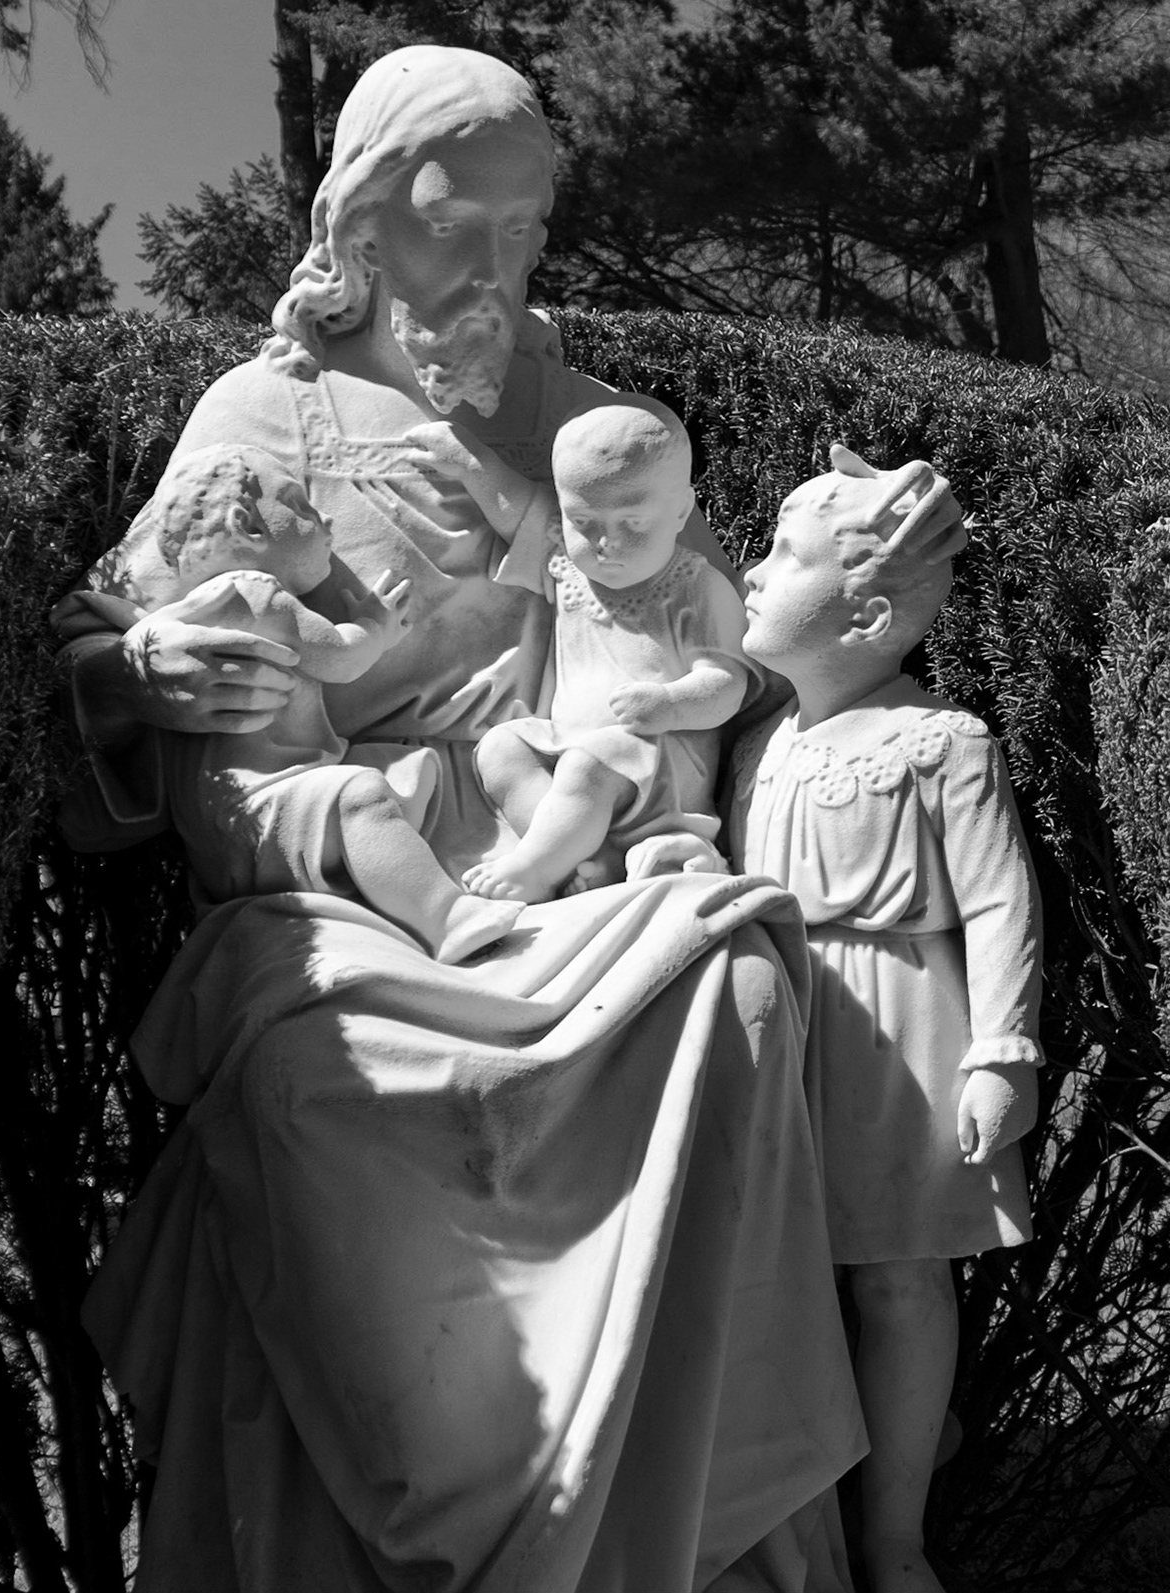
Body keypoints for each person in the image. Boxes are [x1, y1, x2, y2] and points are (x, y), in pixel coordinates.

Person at [55, 45, 958, 1593]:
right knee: (302, 1066)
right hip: (339, 885)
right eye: (443, 224)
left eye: (521, 229)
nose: (486, 270)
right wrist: (142, 665)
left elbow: (710, 659)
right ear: (350, 228)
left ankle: (692, 1548)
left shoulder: (596, 429)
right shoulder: (263, 413)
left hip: (571, 855)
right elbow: (116, 642)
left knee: (733, 984)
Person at [728, 445, 1042, 1593]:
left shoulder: (939, 740)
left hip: (902, 1036)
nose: (752, 575)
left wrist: (1002, 1051)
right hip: (774, 1036)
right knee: (786, 1285)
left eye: (781, 555)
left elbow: (1003, 896)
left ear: (863, 613)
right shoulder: (759, 746)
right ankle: (804, 1526)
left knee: (899, 1281)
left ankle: (893, 1537)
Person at [58, 442, 522, 960]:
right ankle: (448, 918)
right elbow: (340, 658)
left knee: (394, 774)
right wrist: (376, 625)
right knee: (362, 795)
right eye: (300, 506)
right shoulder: (259, 593)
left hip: (230, 818)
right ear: (248, 526)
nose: (324, 517)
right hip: (269, 801)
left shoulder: (201, 605)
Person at [398, 397, 754, 904]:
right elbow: (519, 513)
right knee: (502, 749)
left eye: (632, 523)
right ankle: (582, 856)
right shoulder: (569, 568)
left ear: (680, 512)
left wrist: (670, 703)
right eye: (583, 522)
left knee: (589, 763)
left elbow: (727, 683)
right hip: (571, 743)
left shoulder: (697, 588)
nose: (606, 542)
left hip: (657, 759)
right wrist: (473, 467)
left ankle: (537, 869)